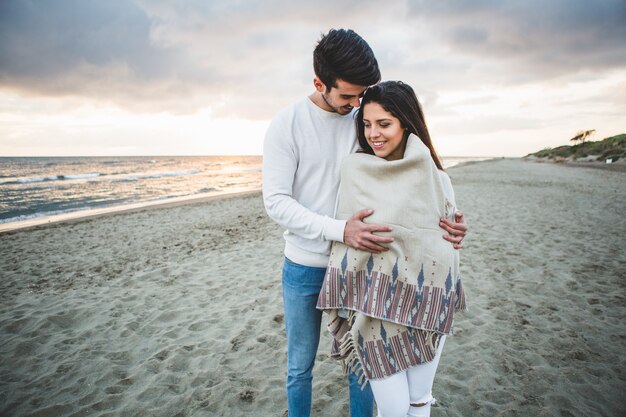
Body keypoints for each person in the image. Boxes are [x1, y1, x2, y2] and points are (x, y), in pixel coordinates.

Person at [263, 29, 468, 417]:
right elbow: (276, 203)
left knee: (364, 363)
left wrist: (451, 216)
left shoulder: (367, 119)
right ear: (319, 83)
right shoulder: (287, 124)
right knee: (299, 366)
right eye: (347, 96)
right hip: (306, 264)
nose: (356, 105)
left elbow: (414, 177)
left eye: (361, 94)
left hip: (366, 265)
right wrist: (342, 230)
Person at [316, 80, 468, 417]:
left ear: (406, 123)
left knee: (419, 400)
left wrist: (459, 230)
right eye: (367, 124)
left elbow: (444, 234)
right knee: (393, 409)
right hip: (373, 306)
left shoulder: (436, 177)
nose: (374, 134)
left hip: (428, 303)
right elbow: (344, 230)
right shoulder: (355, 170)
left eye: (384, 124)